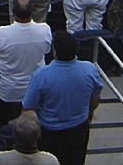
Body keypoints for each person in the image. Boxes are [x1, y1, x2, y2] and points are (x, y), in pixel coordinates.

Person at [23, 33, 104, 165]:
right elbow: (96, 97)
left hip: (50, 134)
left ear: (54, 51)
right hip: (79, 129)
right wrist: (88, 114)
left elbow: (28, 107)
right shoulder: (90, 70)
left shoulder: (41, 75)